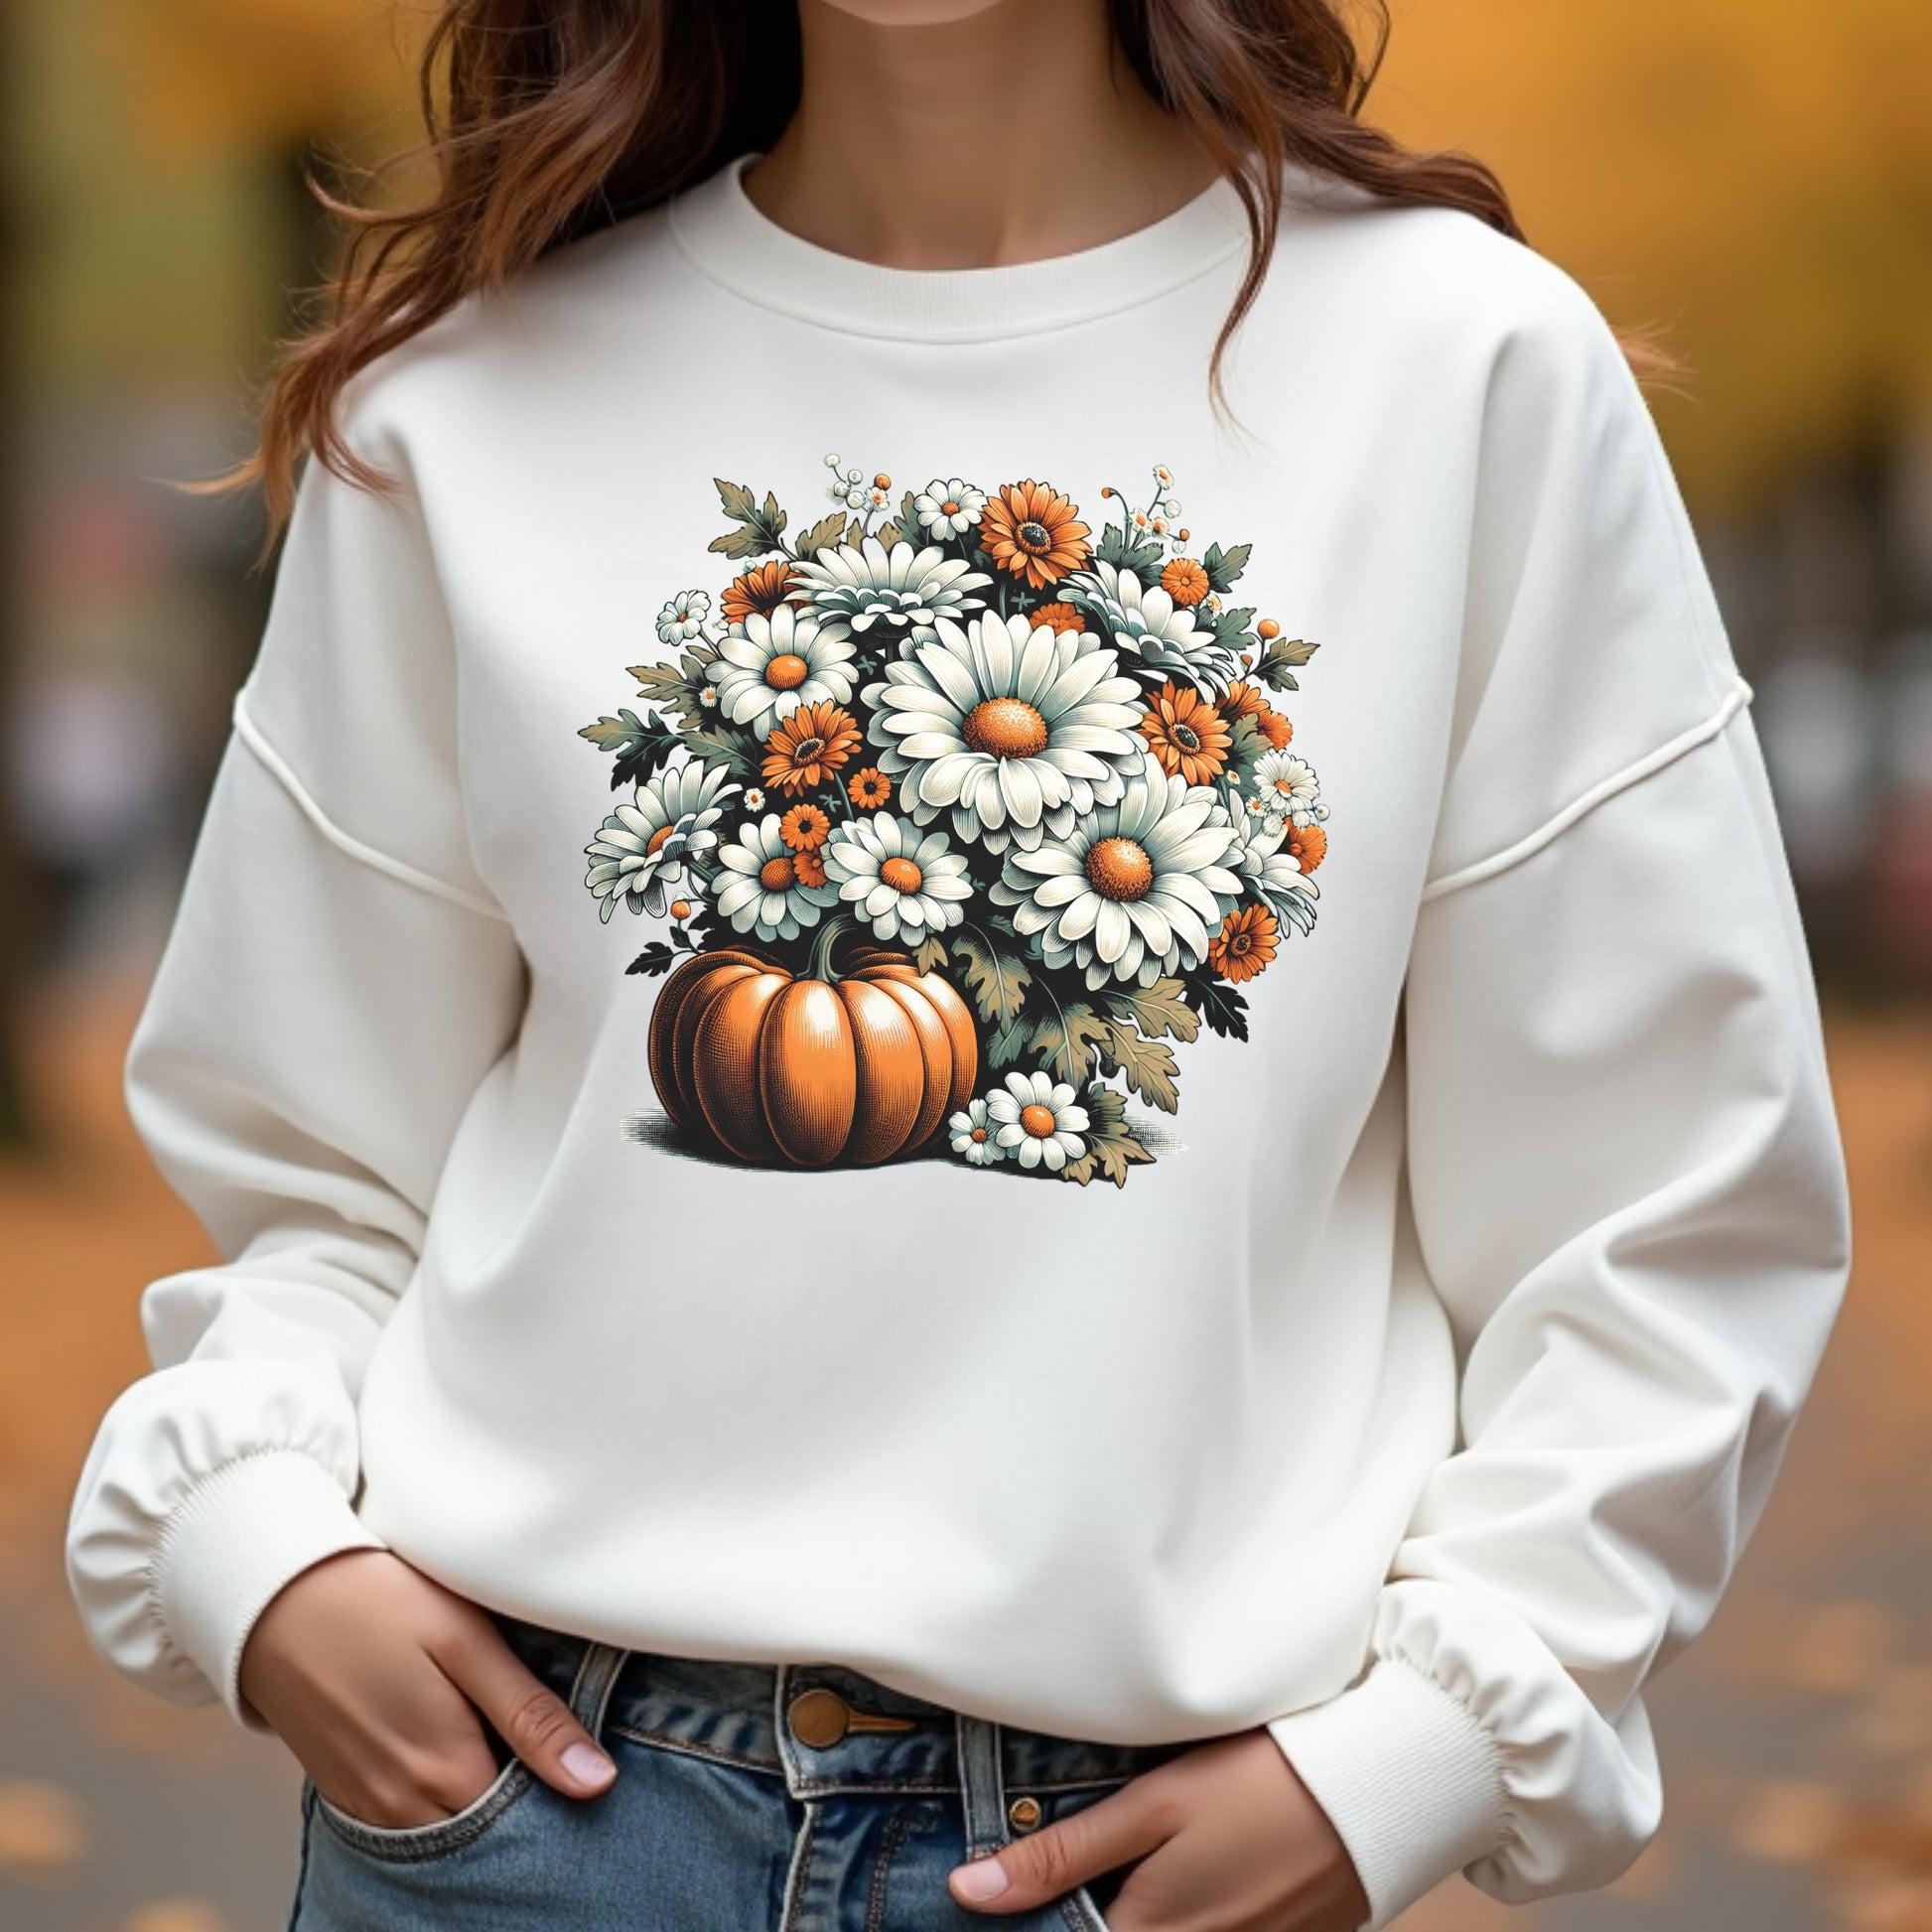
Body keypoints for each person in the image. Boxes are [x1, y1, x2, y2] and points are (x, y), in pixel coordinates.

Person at [65, 2, 1852, 1929]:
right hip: (524, 1828)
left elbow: (1666, 1196)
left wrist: (1426, 1745)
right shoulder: (468, 400)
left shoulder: (1463, 370)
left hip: (1164, 1853)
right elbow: (315, 1161)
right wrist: (257, 1545)